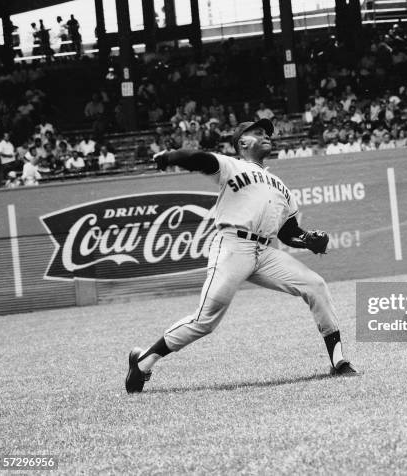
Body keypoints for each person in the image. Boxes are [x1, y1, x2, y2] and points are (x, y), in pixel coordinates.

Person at [125, 119, 357, 394]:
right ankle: (142, 362)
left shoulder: (280, 185)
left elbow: (288, 232)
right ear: (242, 143)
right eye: (258, 132)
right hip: (232, 245)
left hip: (265, 252)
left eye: (267, 132)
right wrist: (171, 156)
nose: (266, 135)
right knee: (205, 320)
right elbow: (199, 159)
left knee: (316, 285)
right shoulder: (231, 166)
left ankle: (338, 360)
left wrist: (307, 240)